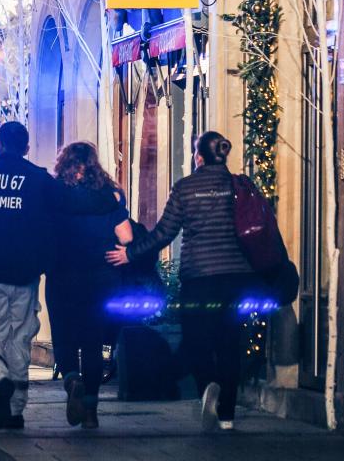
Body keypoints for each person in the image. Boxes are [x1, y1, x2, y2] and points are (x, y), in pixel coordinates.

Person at [0, 122, 121, 430]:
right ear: (26, 148)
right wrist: (110, 199)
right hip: (24, 272)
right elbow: (74, 203)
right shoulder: (38, 179)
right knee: (20, 337)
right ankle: (15, 409)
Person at [106, 131, 262, 432]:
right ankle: (227, 414)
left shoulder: (186, 188)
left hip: (199, 277)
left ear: (198, 156)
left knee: (195, 339)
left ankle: (207, 388)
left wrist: (131, 253)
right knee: (229, 342)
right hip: (235, 276)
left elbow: (164, 233)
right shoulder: (239, 186)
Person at [46, 142, 133, 429]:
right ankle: (92, 412)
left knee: (64, 336)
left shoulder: (54, 194)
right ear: (93, 165)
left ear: (65, 164)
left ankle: (71, 380)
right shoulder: (110, 195)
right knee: (93, 344)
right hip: (100, 278)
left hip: (63, 276)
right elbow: (127, 237)